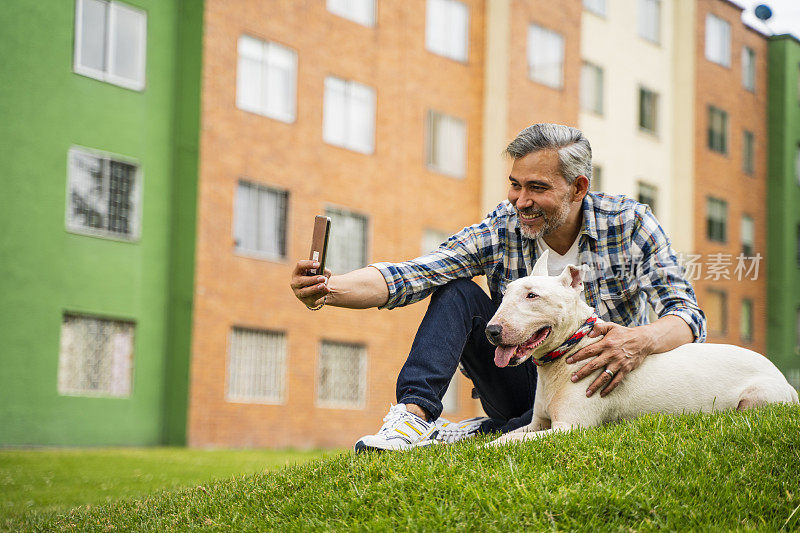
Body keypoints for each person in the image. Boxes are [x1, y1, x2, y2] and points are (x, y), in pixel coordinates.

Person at [290, 123, 706, 452]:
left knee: (523, 430)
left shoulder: (630, 225)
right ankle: (414, 419)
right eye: (515, 184)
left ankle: (483, 432)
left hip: (601, 385)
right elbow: (417, 273)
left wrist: (637, 341)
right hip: (526, 381)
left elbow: (686, 316)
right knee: (455, 291)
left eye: (537, 188)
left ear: (578, 187)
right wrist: (331, 288)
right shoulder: (502, 228)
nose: (520, 200)